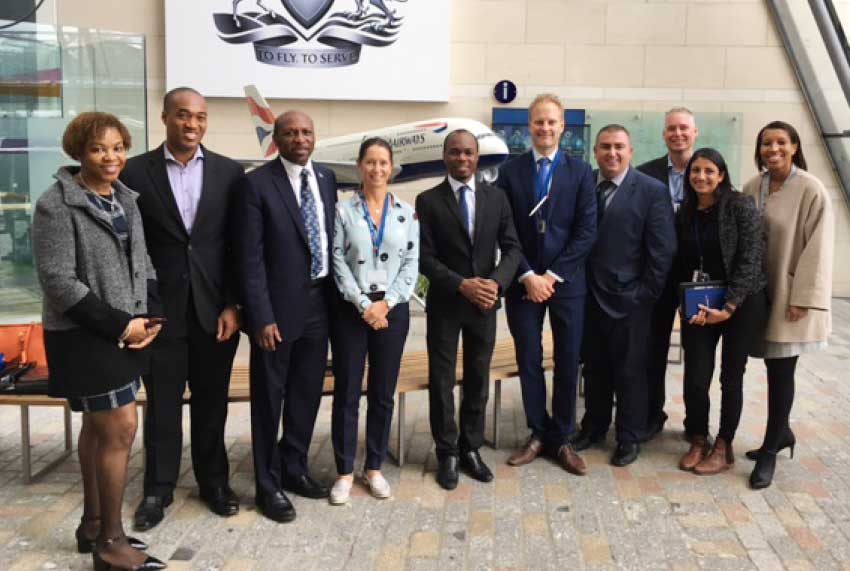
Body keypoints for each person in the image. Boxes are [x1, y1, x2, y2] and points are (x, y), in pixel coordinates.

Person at [32, 112, 165, 570]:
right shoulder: (56, 204)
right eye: (98, 149)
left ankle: (92, 524)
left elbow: (143, 260)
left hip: (126, 331)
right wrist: (119, 326)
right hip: (86, 335)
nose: (111, 157)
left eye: (117, 147)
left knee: (98, 428)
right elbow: (59, 283)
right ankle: (110, 544)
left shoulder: (126, 198)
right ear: (78, 152)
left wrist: (148, 315)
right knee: (121, 428)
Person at [120, 87, 245, 530]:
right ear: (165, 117)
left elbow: (238, 246)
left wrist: (233, 302)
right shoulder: (134, 173)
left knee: (212, 405)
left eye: (200, 117)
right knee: (163, 406)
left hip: (216, 313)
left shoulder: (231, 173)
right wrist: (138, 310)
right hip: (159, 314)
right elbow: (129, 250)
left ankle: (214, 483)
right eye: (183, 116)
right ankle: (157, 489)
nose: (192, 124)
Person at [235, 110, 336, 522]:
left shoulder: (327, 179)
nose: (300, 138)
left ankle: (295, 468)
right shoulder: (256, 184)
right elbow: (249, 257)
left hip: (320, 306)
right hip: (275, 314)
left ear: (315, 136)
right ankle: (267, 484)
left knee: (306, 395)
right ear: (277, 139)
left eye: (306, 131)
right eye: (291, 132)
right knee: (268, 399)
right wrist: (260, 317)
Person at [417, 129, 522, 490]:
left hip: (485, 304)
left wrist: (495, 283)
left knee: (478, 378)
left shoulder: (498, 199)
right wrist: (462, 284)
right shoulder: (428, 200)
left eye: (468, 153)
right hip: (447, 302)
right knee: (442, 380)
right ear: (444, 156)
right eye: (455, 153)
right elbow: (424, 257)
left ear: (477, 158)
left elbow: (512, 249)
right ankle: (446, 451)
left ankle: (470, 448)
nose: (462, 159)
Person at [497, 94, 596, 475]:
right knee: (529, 359)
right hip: (523, 283)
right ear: (529, 126)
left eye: (552, 122)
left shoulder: (580, 171)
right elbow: (505, 231)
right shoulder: (510, 172)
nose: (545, 128)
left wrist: (551, 277)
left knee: (569, 359)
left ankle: (564, 436)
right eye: (539, 122)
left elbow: (586, 231)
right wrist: (527, 275)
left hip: (566, 283)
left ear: (562, 127)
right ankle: (538, 432)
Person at [572, 125, 676, 467]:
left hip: (631, 301)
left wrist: (644, 295)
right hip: (588, 298)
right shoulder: (584, 183)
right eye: (605, 147)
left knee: (631, 372)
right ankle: (594, 427)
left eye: (618, 147)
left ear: (630, 151)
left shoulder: (651, 190)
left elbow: (662, 250)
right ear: (595, 151)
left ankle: (629, 435)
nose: (611, 153)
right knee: (596, 369)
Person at [742, 121, 834, 489]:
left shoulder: (811, 189)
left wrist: (803, 299)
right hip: (755, 295)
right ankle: (781, 433)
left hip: (787, 295)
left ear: (795, 147)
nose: (773, 149)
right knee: (765, 366)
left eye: (781, 142)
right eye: (767, 143)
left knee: (781, 372)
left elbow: (819, 248)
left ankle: (769, 450)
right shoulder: (752, 187)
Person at [329, 137, 419, 504]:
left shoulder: (407, 212)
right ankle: (345, 471)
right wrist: (364, 304)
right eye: (370, 162)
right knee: (347, 393)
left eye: (383, 163)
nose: (377, 169)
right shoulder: (343, 212)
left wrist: (387, 304)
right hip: (352, 312)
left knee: (382, 393)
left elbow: (412, 263)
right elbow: (337, 260)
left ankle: (375, 467)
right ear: (360, 166)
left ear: (391, 167)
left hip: (392, 312)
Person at [675, 148, 767, 474]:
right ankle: (699, 438)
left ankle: (724, 446)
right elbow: (680, 263)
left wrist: (728, 306)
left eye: (708, 171)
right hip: (700, 302)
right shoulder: (685, 211)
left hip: (741, 304)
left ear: (722, 174)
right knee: (697, 376)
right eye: (695, 171)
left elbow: (750, 259)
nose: (701, 177)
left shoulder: (740, 206)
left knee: (731, 377)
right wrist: (684, 305)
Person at [638, 107, 699, 440]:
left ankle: (695, 424)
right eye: (672, 129)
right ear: (664, 135)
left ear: (695, 132)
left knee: (697, 353)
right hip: (657, 276)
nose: (678, 134)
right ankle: (651, 413)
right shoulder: (646, 175)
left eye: (684, 128)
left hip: (696, 278)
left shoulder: (708, 171)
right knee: (653, 348)